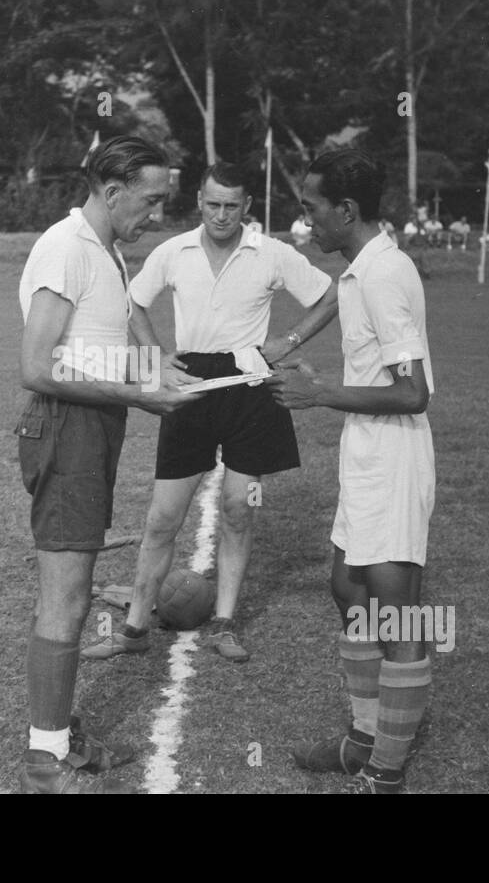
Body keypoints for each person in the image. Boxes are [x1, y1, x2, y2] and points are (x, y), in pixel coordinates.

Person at [80, 162, 336, 664]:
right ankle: (133, 632)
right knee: (162, 518)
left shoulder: (271, 253)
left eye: (232, 206)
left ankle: (223, 623)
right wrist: (155, 360)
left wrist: (288, 341)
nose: (221, 215)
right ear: (199, 200)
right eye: (213, 204)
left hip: (250, 384)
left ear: (247, 207)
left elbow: (330, 295)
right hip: (191, 386)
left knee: (239, 509)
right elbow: (132, 302)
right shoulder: (173, 251)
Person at [14, 135, 201, 793]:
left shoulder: (106, 252)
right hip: (68, 428)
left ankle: (59, 735)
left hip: (90, 425)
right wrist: (137, 394)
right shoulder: (66, 249)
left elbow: (102, 349)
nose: (157, 214)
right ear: (112, 190)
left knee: (71, 587)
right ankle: (45, 760)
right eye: (151, 201)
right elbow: (37, 366)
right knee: (65, 597)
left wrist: (168, 376)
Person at [268, 148, 434, 794]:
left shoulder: (387, 274)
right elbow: (339, 306)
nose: (305, 222)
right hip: (365, 447)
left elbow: (413, 392)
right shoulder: (362, 267)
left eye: (312, 209)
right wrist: (291, 352)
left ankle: (385, 772)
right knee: (345, 586)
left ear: (348, 210)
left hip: (394, 452)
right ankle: (363, 736)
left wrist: (321, 393)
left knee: (396, 614)